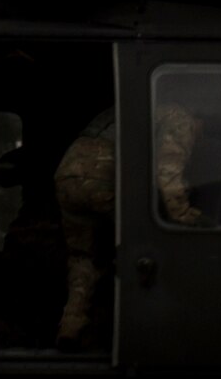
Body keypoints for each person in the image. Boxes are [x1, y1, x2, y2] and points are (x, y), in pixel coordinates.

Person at [52, 103, 204, 347]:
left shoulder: (132, 109)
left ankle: (72, 326)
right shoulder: (182, 118)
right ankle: (147, 334)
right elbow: (168, 174)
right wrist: (185, 215)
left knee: (83, 256)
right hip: (102, 174)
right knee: (142, 249)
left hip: (67, 174)